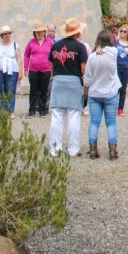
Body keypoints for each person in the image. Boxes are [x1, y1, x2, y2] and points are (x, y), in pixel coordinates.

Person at [47, 18, 88, 157]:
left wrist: (56, 77)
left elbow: (52, 66)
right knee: (73, 116)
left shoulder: (55, 45)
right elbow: (83, 69)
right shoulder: (81, 47)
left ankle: (55, 149)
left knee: (56, 116)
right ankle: (73, 149)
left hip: (58, 80)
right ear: (77, 33)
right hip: (74, 81)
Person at [84, 29, 120, 160]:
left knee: (94, 122)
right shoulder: (113, 54)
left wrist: (85, 94)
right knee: (111, 123)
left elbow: (87, 79)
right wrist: (104, 49)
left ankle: (93, 149)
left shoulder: (92, 57)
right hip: (110, 92)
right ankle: (112, 151)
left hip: (95, 93)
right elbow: (114, 48)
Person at [0, 26, 21, 114]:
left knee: (11, 90)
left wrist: (20, 72)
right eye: (5, 34)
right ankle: (1, 111)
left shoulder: (15, 45)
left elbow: (19, 59)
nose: (7, 35)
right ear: (1, 36)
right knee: (0, 90)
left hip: (12, 70)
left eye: (8, 33)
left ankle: (10, 111)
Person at [24, 23, 54, 117]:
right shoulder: (31, 42)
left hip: (46, 70)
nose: (40, 34)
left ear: (44, 32)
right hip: (33, 70)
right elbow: (26, 55)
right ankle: (32, 110)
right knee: (33, 90)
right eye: (37, 32)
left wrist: (54, 68)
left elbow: (54, 55)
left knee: (44, 90)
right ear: (35, 33)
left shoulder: (50, 42)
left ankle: (43, 110)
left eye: (41, 32)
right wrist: (26, 68)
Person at [115, 24, 128, 116]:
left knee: (123, 89)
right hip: (116, 67)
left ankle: (120, 109)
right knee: (116, 88)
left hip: (126, 67)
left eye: (125, 31)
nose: (122, 32)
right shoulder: (116, 42)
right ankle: (113, 107)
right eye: (121, 31)